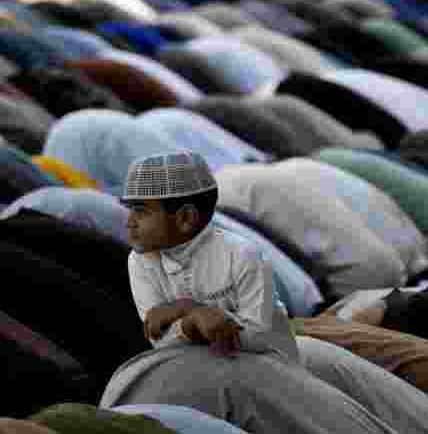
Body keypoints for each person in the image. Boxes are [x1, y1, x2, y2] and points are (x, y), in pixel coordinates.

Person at [123, 150, 299, 362]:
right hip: (198, 368)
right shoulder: (140, 262)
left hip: (271, 370)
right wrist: (193, 318)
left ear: (185, 218)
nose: (129, 222)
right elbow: (159, 339)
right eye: (130, 209)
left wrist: (187, 309)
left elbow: (258, 338)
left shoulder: (242, 255)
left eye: (141, 212)